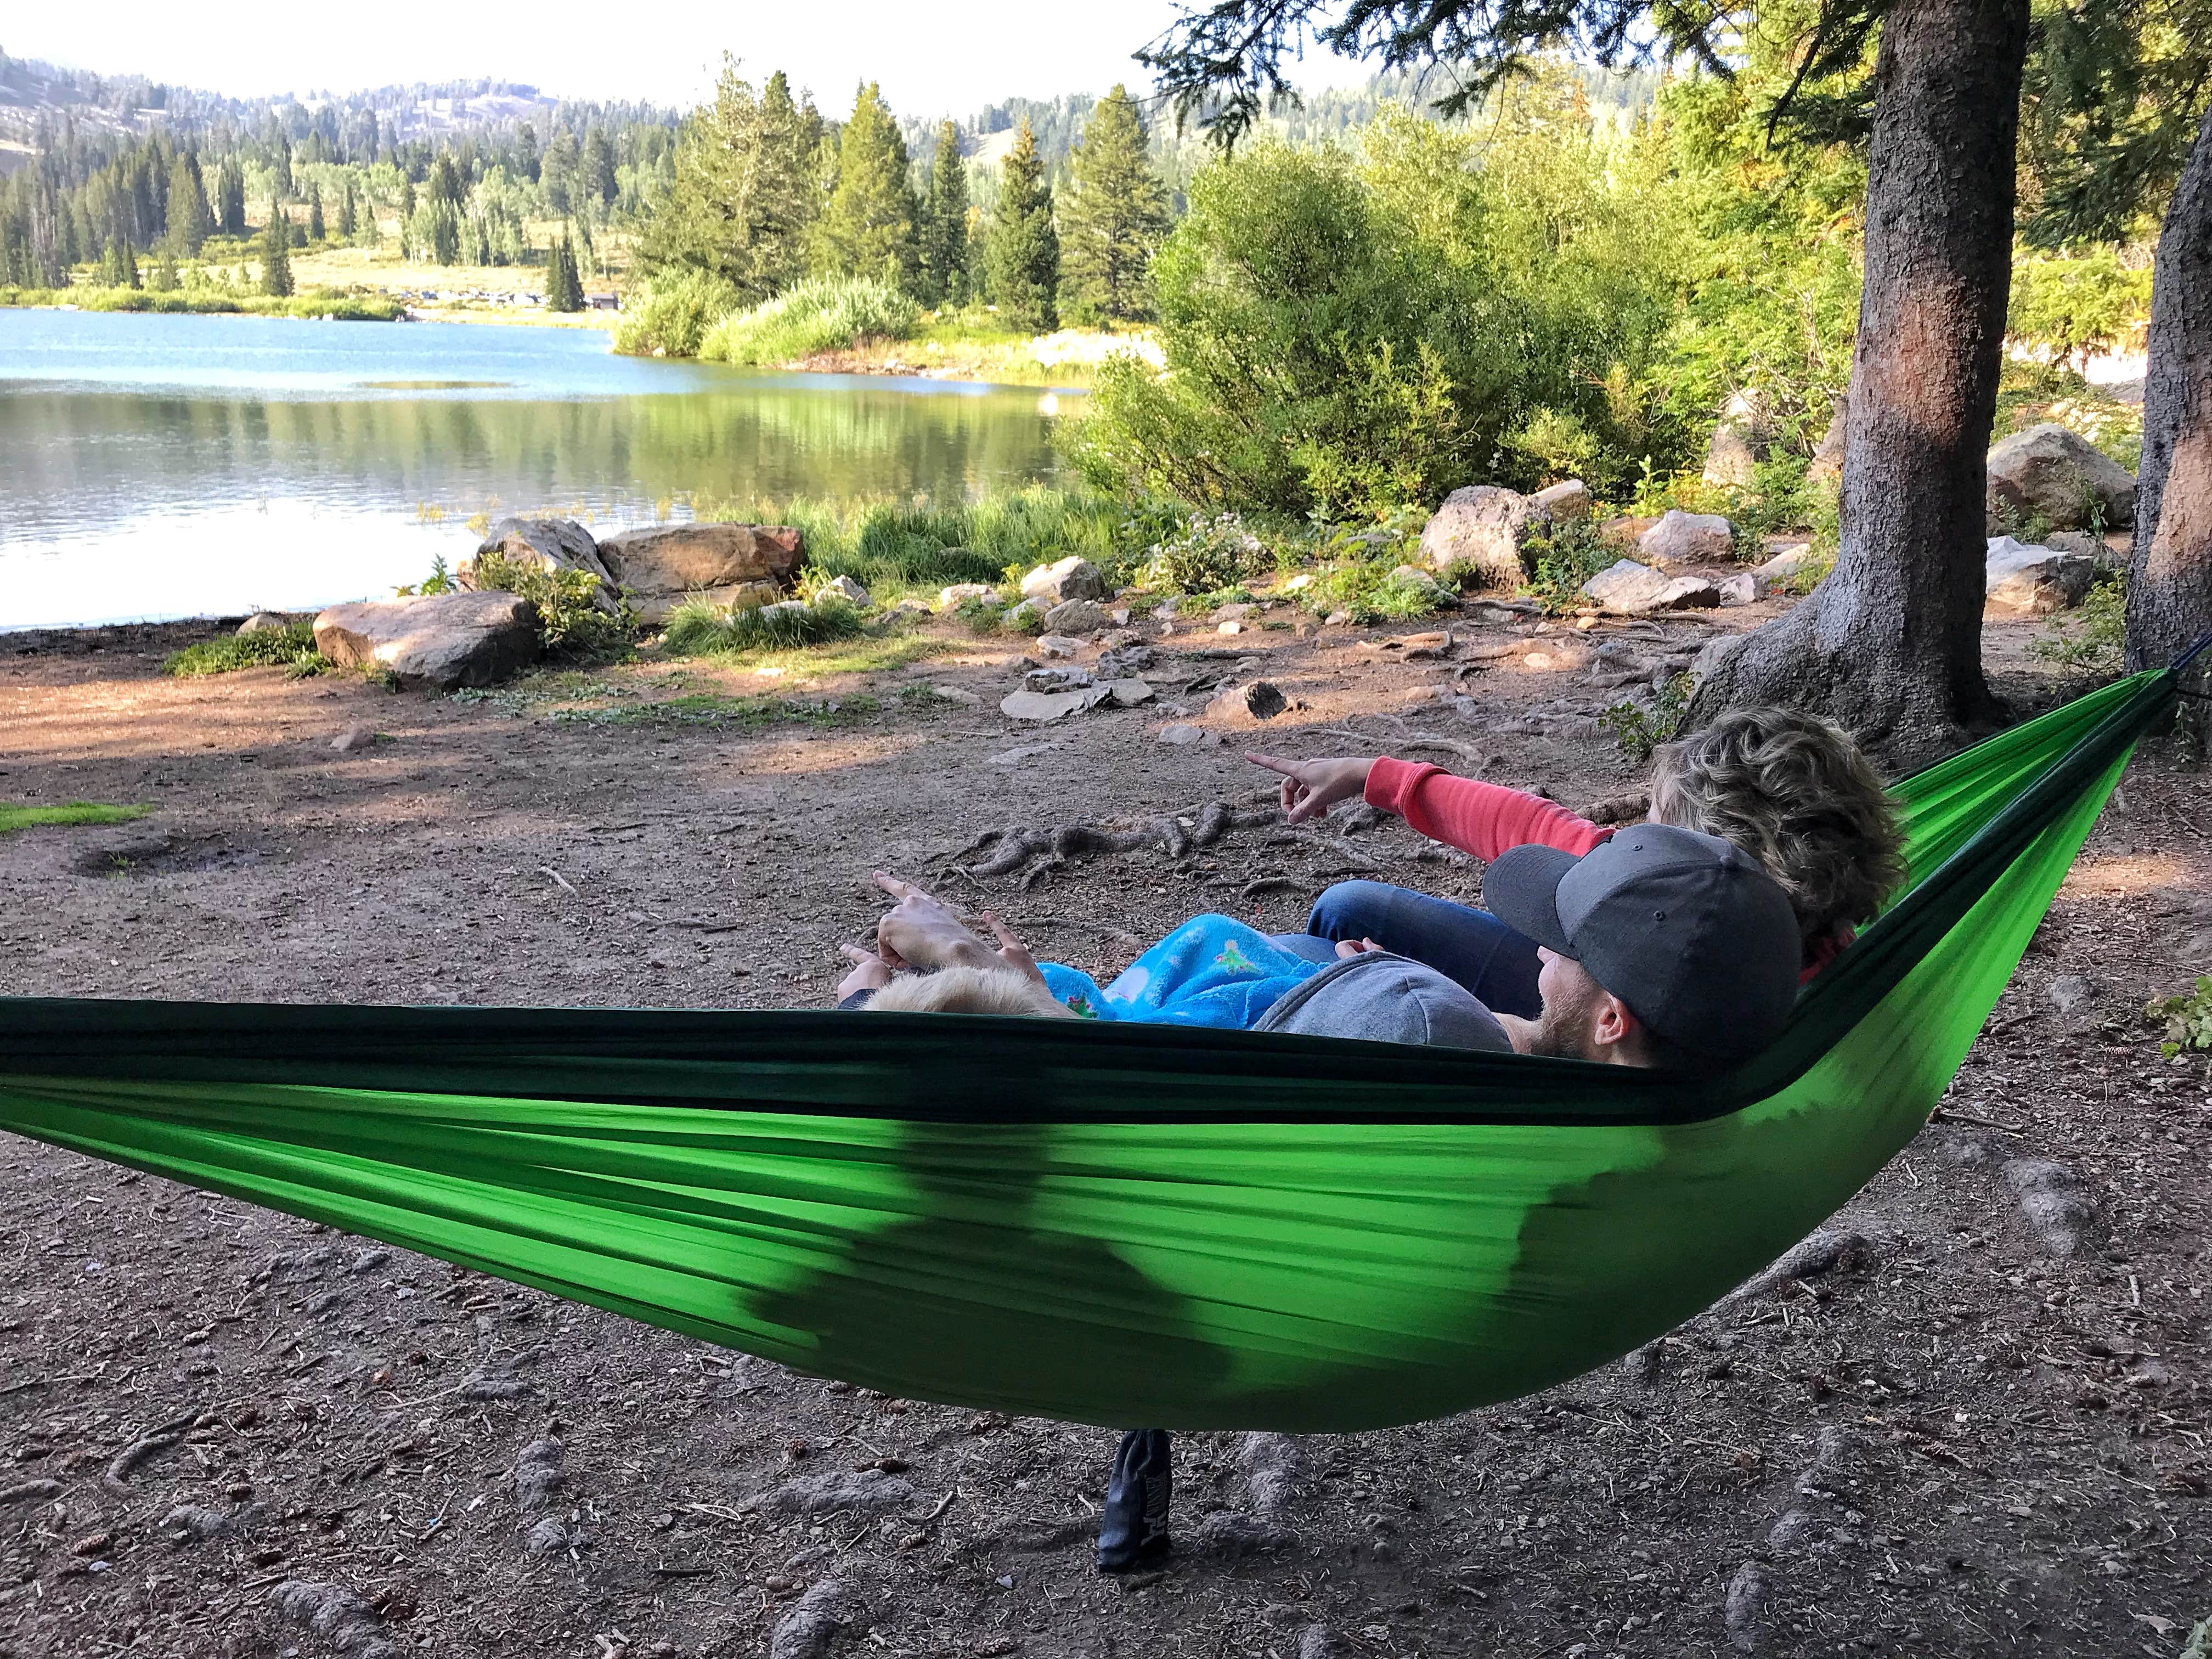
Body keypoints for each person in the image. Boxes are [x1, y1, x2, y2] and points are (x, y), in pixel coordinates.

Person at [845, 829, 1805, 1570]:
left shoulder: (1428, 1035)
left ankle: (886, 1001)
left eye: (1553, 946)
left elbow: (1149, 1153)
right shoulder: (1717, 1116)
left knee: (1008, 997)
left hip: (1205, 1198)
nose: (1534, 955)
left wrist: (959, 969)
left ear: (1607, 1016)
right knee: (1304, 931)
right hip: (1337, 1161)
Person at [1250, 706, 1906, 1019]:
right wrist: (1371, 775)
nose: (1628, 836)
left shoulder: (1759, 1004)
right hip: (1580, 1005)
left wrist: (1391, 986)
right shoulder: (1683, 891)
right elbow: (1531, 826)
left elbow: (1558, 1053)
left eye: (1653, 825)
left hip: (1566, 1041)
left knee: (1323, 962)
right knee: (1348, 907)